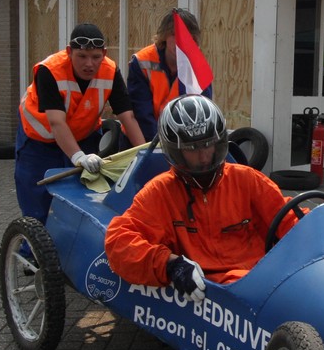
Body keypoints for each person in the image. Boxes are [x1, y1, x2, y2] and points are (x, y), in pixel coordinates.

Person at [105, 96, 298, 298]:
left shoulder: (247, 180)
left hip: (265, 284)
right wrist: (169, 265)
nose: (204, 156)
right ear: (175, 150)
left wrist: (318, 224)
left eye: (208, 144)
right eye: (192, 148)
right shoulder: (160, 192)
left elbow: (291, 220)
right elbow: (118, 242)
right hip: (212, 295)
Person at [15, 23, 146, 223]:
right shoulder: (49, 70)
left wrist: (144, 154)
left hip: (83, 137)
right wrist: (78, 157)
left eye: (96, 57)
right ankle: (32, 242)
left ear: (104, 53)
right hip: (39, 144)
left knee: (84, 199)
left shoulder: (110, 71)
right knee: (38, 206)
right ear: (69, 52)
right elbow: (56, 123)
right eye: (82, 56)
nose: (89, 64)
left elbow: (128, 117)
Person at [126, 8, 213, 144]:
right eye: (174, 34)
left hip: (180, 143)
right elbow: (142, 113)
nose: (180, 41)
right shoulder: (142, 61)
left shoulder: (198, 67)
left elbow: (203, 113)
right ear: (164, 36)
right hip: (140, 140)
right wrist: (161, 146)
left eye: (186, 36)